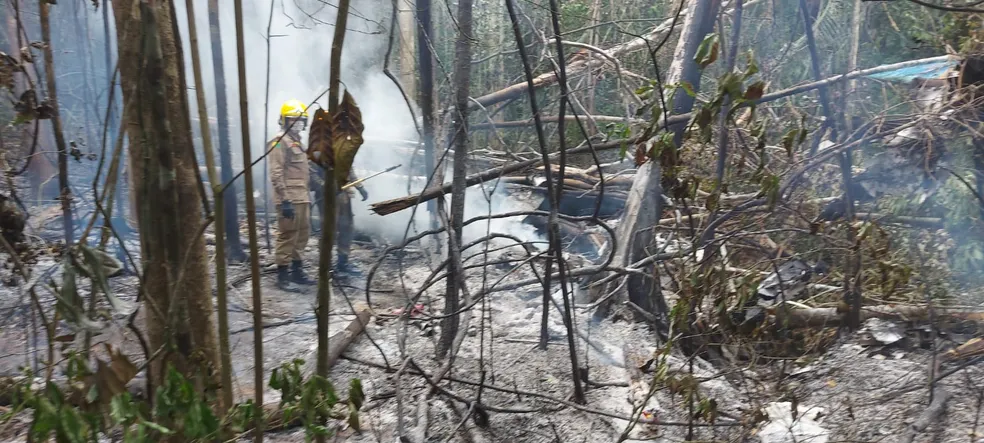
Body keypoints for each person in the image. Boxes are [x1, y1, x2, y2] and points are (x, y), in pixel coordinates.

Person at [268, 99, 316, 291]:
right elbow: (276, 172)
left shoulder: (298, 143)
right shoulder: (279, 142)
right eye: (293, 120)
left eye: (301, 120)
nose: (297, 124)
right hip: (289, 198)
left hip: (303, 196)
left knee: (302, 235)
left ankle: (297, 272)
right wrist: (285, 199)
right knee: (288, 235)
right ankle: (283, 277)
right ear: (284, 121)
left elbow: (305, 171)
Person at [310, 165, 369, 274]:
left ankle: (343, 263)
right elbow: (312, 173)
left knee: (347, 228)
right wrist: (326, 186)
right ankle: (326, 266)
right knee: (329, 231)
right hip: (327, 197)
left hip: (344, 195)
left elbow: (348, 168)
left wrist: (359, 187)